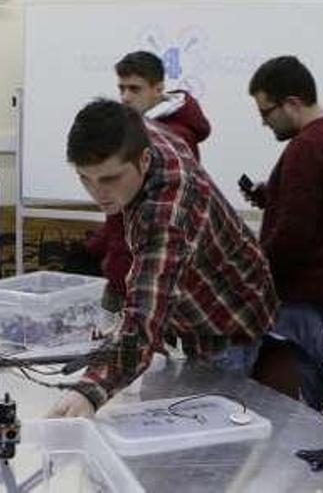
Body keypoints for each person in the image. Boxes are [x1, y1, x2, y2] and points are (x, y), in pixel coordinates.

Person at [48, 99, 277, 417]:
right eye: (86, 178)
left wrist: (88, 392)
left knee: (206, 436)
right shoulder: (138, 134)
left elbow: (143, 323)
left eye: (110, 179)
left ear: (144, 160)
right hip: (185, 310)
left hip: (226, 322)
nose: (98, 193)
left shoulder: (166, 213)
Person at [245, 56, 323, 409]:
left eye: (267, 112)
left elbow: (294, 233)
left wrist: (253, 273)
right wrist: (273, 195)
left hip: (301, 294)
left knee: (302, 391)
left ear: (292, 103)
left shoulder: (304, 148)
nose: (264, 122)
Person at [86, 51, 211, 312]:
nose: (125, 97)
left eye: (135, 89)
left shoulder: (169, 138)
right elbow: (122, 208)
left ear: (158, 89)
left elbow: (153, 217)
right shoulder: (137, 130)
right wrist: (95, 247)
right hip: (127, 266)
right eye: (121, 88)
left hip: (144, 276)